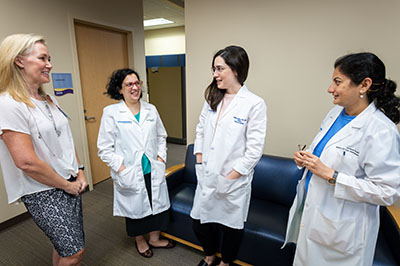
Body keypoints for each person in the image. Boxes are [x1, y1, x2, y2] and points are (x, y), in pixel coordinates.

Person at [283, 52, 400, 266]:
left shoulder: (381, 130)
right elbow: (329, 152)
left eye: (337, 82)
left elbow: (388, 192)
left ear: (364, 85)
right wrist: (307, 158)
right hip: (313, 216)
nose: (330, 89)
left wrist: (332, 176)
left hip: (343, 234)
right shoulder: (335, 114)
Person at [0, 33, 87, 266]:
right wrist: (68, 185)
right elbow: (26, 162)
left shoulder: (48, 98)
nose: (50, 64)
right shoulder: (8, 104)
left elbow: (66, 139)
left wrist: (79, 171)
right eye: (43, 58)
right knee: (74, 252)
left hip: (69, 181)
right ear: (19, 61)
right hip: (43, 190)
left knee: (64, 246)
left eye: (49, 58)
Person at [191, 45, 267, 266]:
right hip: (206, 173)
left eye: (219, 68)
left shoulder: (254, 103)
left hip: (232, 179)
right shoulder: (212, 98)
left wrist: (230, 177)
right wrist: (198, 160)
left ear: (236, 69)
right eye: (214, 69)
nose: (215, 74)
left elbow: (254, 150)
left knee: (231, 226)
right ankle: (210, 256)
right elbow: (200, 130)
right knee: (200, 222)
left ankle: (226, 262)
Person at [97, 68, 175, 258]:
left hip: (152, 167)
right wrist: (122, 168)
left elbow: (161, 136)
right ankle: (140, 240)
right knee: (135, 209)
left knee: (157, 207)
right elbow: (104, 148)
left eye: (137, 83)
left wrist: (161, 158)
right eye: (129, 84)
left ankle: (155, 239)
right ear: (120, 89)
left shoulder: (151, 109)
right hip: (130, 170)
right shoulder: (111, 113)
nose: (134, 87)